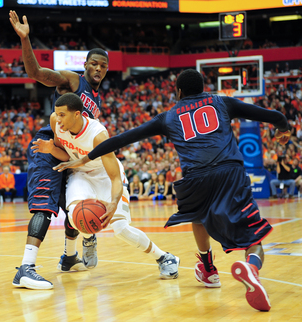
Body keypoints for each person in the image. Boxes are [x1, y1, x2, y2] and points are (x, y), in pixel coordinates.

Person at [55, 69, 291, 311]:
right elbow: (272, 115)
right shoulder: (222, 102)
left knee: (197, 215)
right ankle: (251, 267)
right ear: (203, 88)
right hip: (229, 171)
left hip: (194, 178)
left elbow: (122, 139)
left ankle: (209, 270)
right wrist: (283, 127)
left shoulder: (168, 116)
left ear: (178, 92)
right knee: (253, 237)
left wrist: (85, 159)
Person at [31, 93, 179, 286]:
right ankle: (88, 237)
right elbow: (67, 156)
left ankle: (164, 257)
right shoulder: (56, 122)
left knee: (120, 229)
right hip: (80, 173)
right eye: (56, 114)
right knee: (76, 216)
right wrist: (51, 149)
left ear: (77, 114)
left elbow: (115, 176)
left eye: (62, 115)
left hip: (105, 176)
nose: (57, 119)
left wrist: (113, 202)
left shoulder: (98, 135)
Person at [10, 10, 109, 290]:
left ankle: (68, 257)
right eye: (94, 64)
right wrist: (26, 39)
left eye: (103, 65)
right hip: (49, 145)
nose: (98, 69)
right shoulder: (73, 81)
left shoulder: (96, 99)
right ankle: (26, 269)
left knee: (74, 204)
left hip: (72, 152)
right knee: (45, 205)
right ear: (86, 65)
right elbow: (36, 73)